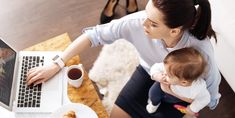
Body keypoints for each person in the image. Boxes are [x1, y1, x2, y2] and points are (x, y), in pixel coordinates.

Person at [26, 0, 221, 117]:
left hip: (181, 95)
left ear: (175, 30)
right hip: (149, 74)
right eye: (146, 14)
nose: (142, 24)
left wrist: (186, 103)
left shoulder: (201, 53)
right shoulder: (138, 23)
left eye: (152, 23)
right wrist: (57, 64)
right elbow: (93, 35)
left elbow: (211, 97)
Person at [147, 47, 210, 117]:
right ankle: (154, 103)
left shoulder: (198, 88)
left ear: (183, 82)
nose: (164, 73)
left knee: (172, 112)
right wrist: (157, 75)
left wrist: (192, 109)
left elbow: (205, 99)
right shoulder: (171, 67)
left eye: (169, 75)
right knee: (153, 93)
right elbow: (155, 67)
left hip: (177, 98)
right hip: (162, 85)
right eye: (164, 70)